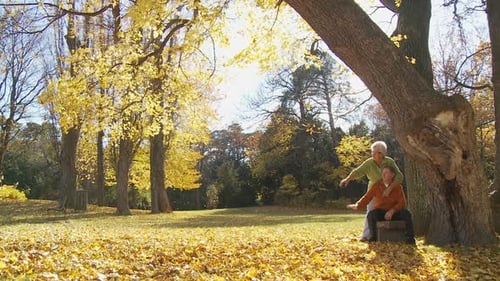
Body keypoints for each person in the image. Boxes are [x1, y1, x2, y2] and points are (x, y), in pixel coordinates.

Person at [339, 140, 403, 241]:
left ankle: (386, 234)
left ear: (381, 153)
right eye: (372, 152)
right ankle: (366, 235)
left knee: (389, 211)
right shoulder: (369, 163)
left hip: (389, 192)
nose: (372, 154)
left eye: (374, 152)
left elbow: (399, 176)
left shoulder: (389, 162)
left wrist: (390, 188)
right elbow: (358, 171)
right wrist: (348, 179)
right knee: (370, 212)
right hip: (374, 191)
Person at [347, 166, 415, 244]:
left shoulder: (397, 187)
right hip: (381, 212)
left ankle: (410, 239)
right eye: (382, 173)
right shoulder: (377, 185)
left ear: (392, 175)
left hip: (394, 212)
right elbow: (367, 197)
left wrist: (392, 210)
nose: (383, 175)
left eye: (386, 173)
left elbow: (402, 203)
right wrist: (358, 205)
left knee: (406, 213)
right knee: (371, 215)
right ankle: (374, 238)